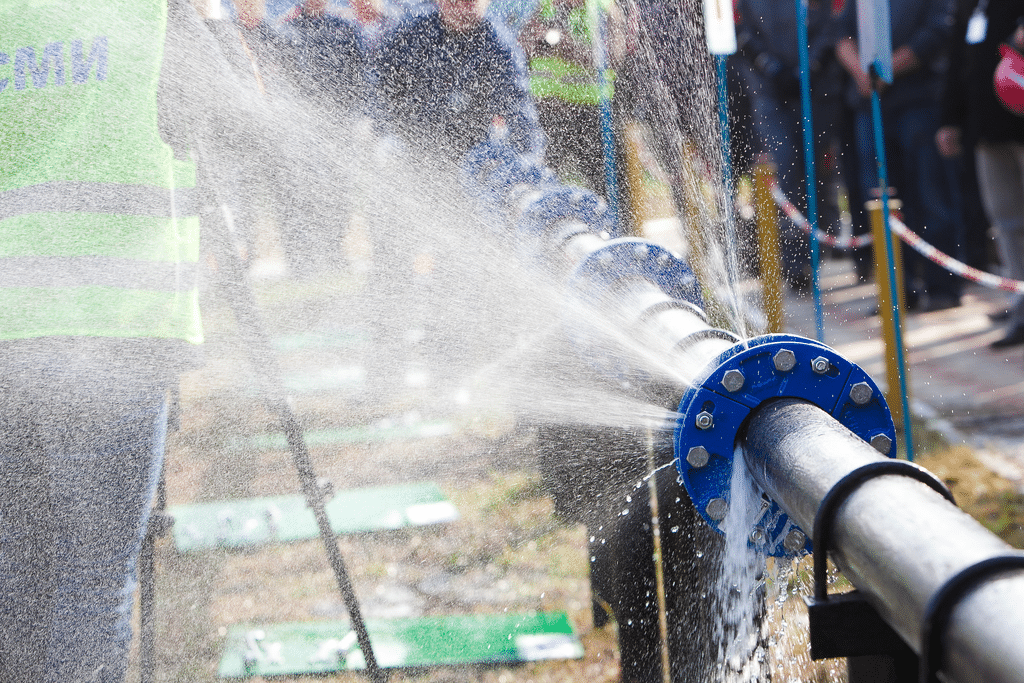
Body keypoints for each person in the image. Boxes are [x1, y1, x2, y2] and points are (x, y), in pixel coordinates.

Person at [0, 1, 267, 680]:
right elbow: (240, 117)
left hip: (11, 329)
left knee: (21, 582)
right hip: (119, 324)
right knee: (92, 582)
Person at [835, 0, 963, 312]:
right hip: (871, 106)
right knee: (880, 201)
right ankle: (898, 291)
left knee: (930, 196)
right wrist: (861, 72)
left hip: (920, 102)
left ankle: (942, 287)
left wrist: (887, 68)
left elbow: (936, 34)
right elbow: (840, 34)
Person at [734, 0, 845, 291]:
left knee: (818, 174)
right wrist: (769, 67)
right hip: (770, 91)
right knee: (786, 173)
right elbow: (742, 29)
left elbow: (833, 24)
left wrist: (812, 65)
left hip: (817, 90)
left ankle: (822, 243)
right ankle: (796, 263)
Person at [937, 1, 1024, 347]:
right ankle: (1020, 301)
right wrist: (949, 119)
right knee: (1007, 225)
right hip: (987, 130)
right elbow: (959, 60)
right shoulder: (971, 6)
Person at [374, 0, 545, 159]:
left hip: (465, 155)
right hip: (406, 140)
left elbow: (521, 115)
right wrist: (375, 126)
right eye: (454, 1)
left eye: (469, 2)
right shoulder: (413, 28)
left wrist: (528, 164)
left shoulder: (501, 48)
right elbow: (377, 80)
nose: (461, 8)